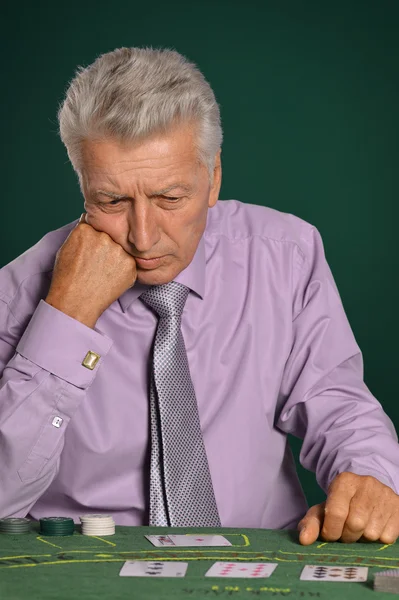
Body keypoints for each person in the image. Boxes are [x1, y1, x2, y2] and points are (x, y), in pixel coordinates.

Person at [1, 47, 398, 546]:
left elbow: (337, 404)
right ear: (82, 182)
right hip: (85, 573)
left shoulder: (286, 255)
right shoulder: (18, 291)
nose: (143, 237)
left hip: (262, 566)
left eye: (170, 198)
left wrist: (371, 474)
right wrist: (67, 316)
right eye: (111, 200)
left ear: (213, 179)